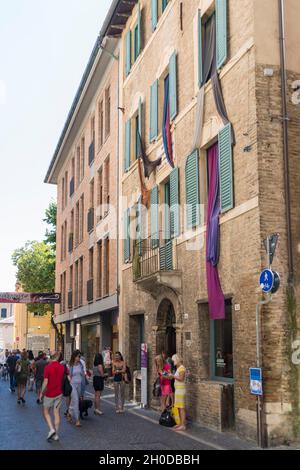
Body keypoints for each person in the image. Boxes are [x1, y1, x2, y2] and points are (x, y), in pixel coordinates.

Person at [41, 351, 66, 442]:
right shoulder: (62, 367)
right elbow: (67, 376)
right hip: (59, 393)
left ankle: (51, 429)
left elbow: (45, 382)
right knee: (56, 413)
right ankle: (56, 435)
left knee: (46, 412)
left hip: (49, 394)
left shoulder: (48, 367)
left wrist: (41, 393)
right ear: (58, 356)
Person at [168, 354, 187, 431]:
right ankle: (180, 423)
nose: (173, 362)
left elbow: (181, 379)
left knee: (181, 408)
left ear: (177, 360)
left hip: (181, 390)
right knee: (179, 407)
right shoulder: (178, 368)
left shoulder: (182, 368)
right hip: (178, 390)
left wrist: (173, 376)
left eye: (174, 360)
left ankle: (183, 425)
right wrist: (170, 375)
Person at [68, 350, 86, 427]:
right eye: (78, 356)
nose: (80, 357)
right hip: (72, 384)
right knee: (75, 400)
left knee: (74, 401)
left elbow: (83, 373)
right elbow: (68, 375)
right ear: (74, 357)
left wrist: (86, 376)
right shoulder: (70, 365)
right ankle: (77, 420)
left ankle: (69, 412)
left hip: (80, 384)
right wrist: (69, 381)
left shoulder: (81, 363)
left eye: (80, 356)